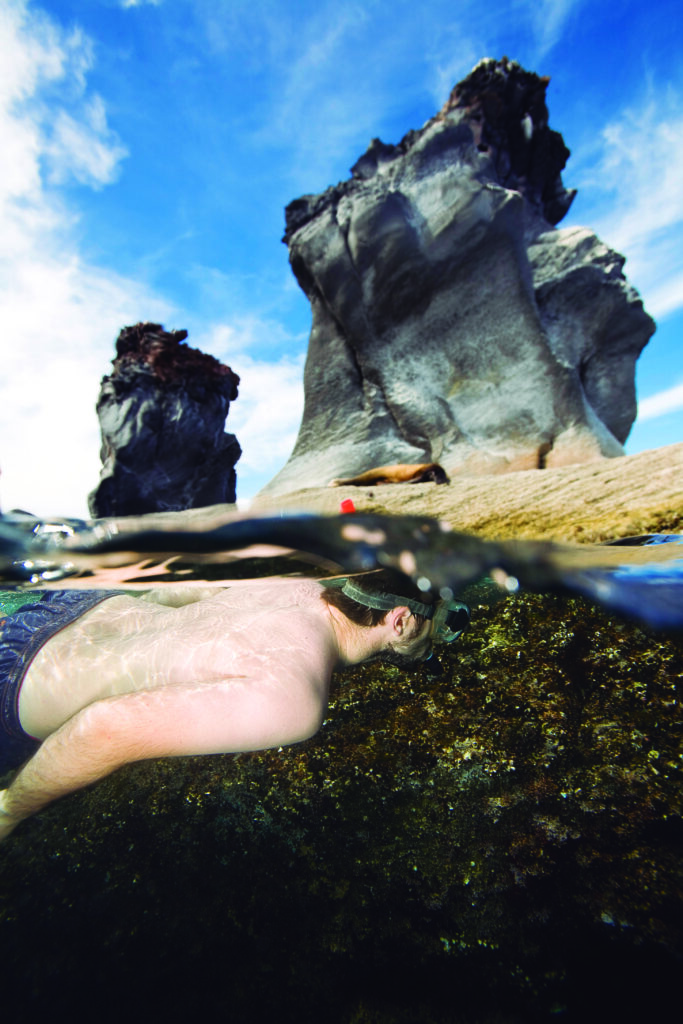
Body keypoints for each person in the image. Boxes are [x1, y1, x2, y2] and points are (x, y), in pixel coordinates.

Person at [0, 571, 468, 842]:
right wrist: (10, 811)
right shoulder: (294, 697)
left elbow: (173, 594)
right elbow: (103, 726)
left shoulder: (294, 580)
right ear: (402, 621)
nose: (438, 640)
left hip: (81, 606)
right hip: (20, 682)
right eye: (440, 626)